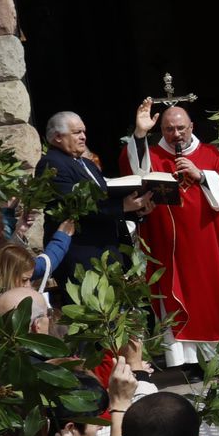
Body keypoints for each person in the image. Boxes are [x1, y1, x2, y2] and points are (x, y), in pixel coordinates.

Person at [119, 100, 219, 367]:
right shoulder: (153, 155)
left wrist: (202, 175)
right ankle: (192, 361)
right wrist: (139, 134)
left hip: (211, 245)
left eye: (181, 128)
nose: (176, 134)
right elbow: (133, 171)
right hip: (173, 249)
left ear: (191, 126)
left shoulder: (210, 154)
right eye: (169, 129)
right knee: (180, 301)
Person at [36, 109, 141, 298]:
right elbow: (76, 204)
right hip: (81, 255)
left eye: (84, 131)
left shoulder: (87, 164)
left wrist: (137, 208)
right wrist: (122, 206)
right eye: (77, 132)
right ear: (58, 137)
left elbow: (104, 200)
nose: (83, 137)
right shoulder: (51, 164)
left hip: (105, 252)